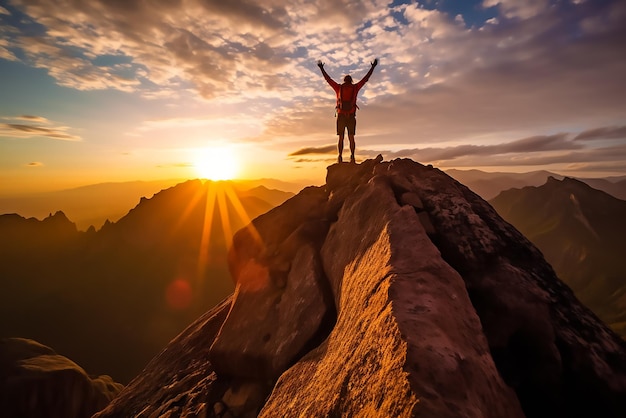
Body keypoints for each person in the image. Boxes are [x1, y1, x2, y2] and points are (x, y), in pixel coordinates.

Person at [317, 58, 378, 163]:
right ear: (351, 81)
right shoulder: (355, 88)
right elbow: (365, 79)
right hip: (351, 116)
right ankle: (352, 157)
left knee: (341, 138)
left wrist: (321, 68)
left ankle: (339, 157)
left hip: (341, 116)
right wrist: (373, 67)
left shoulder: (338, 88)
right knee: (351, 138)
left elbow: (328, 79)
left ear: (344, 80)